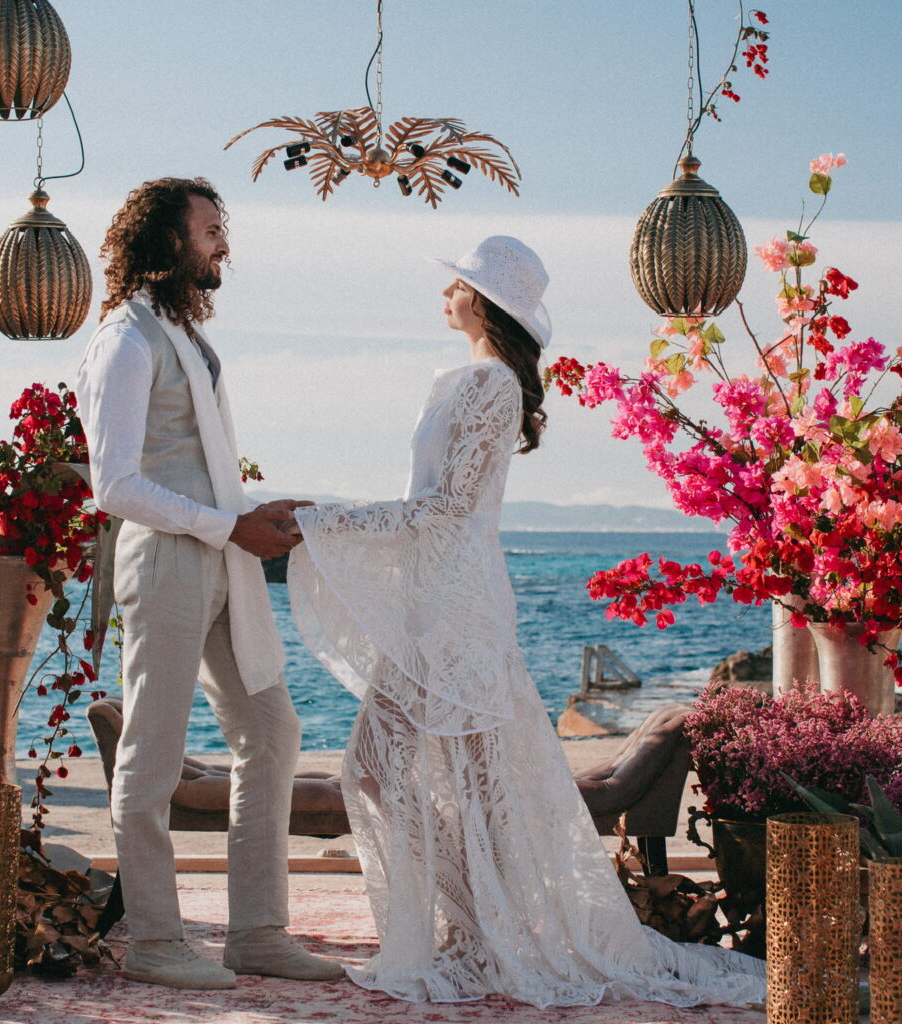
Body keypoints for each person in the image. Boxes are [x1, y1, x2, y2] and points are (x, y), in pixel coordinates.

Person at [287, 236, 766, 1008]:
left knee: (453, 782)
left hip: (455, 611)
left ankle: (495, 929)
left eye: (457, 284)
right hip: (435, 604)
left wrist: (319, 521)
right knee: (402, 774)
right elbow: (436, 508)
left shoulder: (491, 383)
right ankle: (487, 923)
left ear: (481, 300)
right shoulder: (469, 379)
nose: (445, 293)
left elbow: (444, 509)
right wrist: (325, 523)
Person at [77, 177, 343, 990]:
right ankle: (157, 940)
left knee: (272, 734)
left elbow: (193, 468)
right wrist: (231, 525)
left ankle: (257, 932)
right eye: (209, 229)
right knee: (151, 759)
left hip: (221, 556)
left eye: (222, 227)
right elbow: (115, 485)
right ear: (165, 242)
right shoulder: (125, 341)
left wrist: (247, 514)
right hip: (166, 563)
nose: (223, 242)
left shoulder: (185, 337)